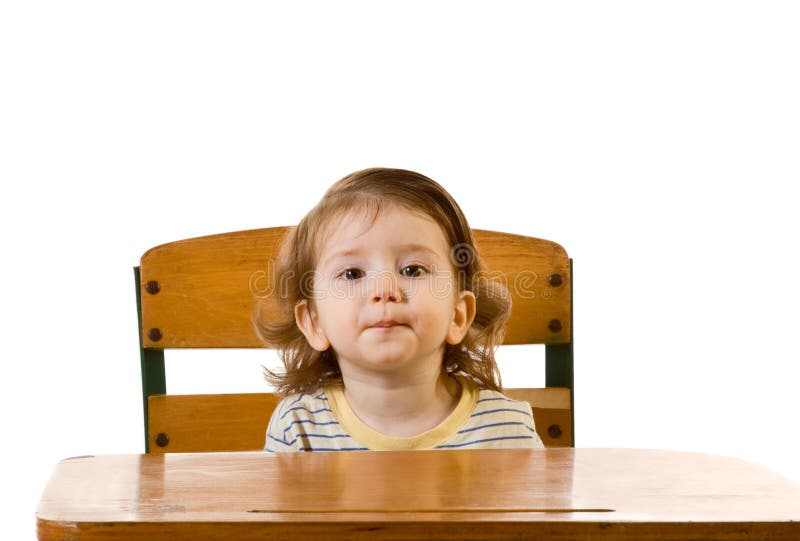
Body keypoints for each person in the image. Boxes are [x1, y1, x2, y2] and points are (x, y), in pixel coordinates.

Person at [255, 167, 543, 451]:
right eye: (353, 274)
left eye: (413, 270)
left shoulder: (506, 431)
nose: (385, 290)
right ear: (314, 323)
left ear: (457, 315)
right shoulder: (297, 429)